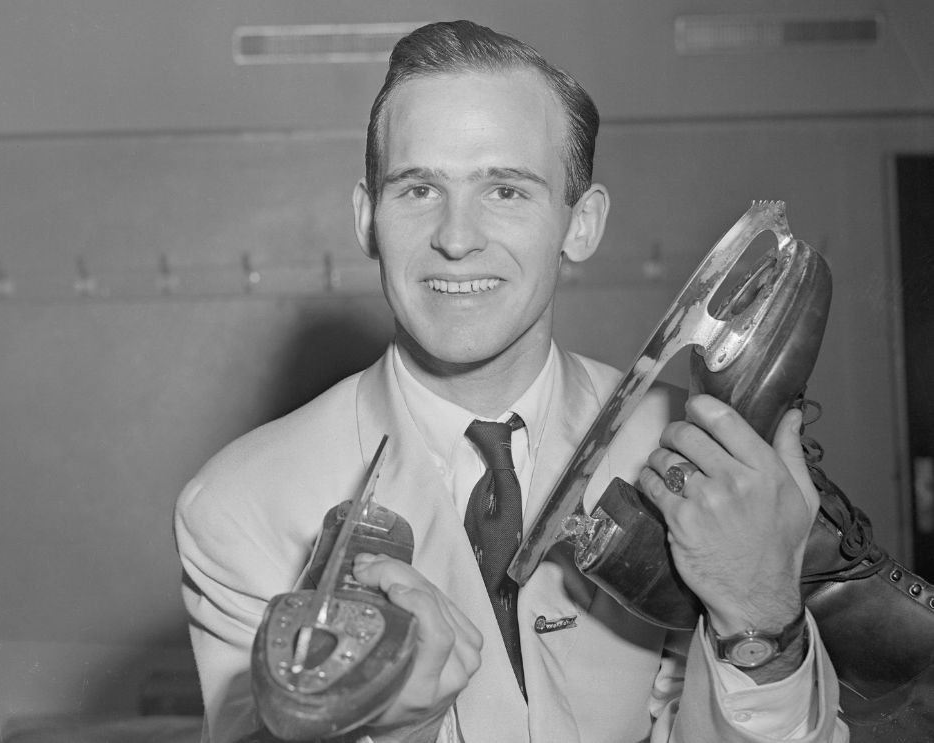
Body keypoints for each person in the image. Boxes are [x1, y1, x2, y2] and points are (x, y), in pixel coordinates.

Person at [175, 20, 847, 743]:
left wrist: (759, 610)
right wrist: (390, 728)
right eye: (417, 189)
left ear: (580, 223)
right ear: (367, 219)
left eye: (505, 190)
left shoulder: (693, 459)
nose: (457, 237)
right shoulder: (242, 505)